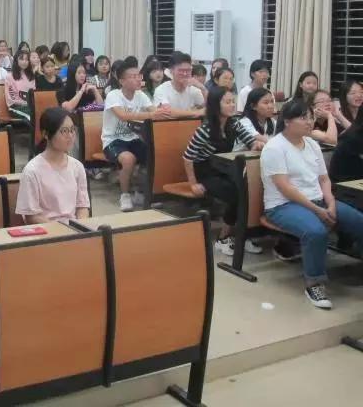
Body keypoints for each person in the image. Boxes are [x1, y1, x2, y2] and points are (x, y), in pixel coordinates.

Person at [262, 100, 363, 309]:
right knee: (316, 232)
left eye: (311, 117)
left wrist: (331, 203)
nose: (310, 122)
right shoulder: (274, 147)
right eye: (303, 118)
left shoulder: (312, 144)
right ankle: (314, 283)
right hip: (283, 206)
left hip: (318, 201)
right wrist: (317, 209)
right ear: (287, 121)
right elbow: (285, 188)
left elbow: (324, 179)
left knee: (359, 221)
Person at [183, 86, 263, 256]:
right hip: (204, 171)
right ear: (215, 105)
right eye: (227, 102)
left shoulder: (234, 124)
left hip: (223, 167)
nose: (232, 105)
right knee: (236, 194)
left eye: (233, 101)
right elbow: (187, 157)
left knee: (250, 189)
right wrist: (193, 184)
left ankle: (242, 235)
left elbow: (251, 141)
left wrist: (257, 144)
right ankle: (223, 238)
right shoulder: (205, 130)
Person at [102, 62, 172, 212]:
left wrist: (160, 112)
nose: (138, 79)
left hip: (133, 138)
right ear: (122, 81)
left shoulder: (141, 95)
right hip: (113, 140)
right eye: (133, 76)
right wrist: (151, 114)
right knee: (129, 159)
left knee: (154, 156)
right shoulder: (114, 95)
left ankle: (141, 193)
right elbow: (123, 115)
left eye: (139, 76)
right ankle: (125, 195)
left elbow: (154, 111)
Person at [16, 107, 90, 223]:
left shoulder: (77, 167)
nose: (70, 136)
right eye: (64, 131)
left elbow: (82, 207)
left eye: (72, 130)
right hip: (47, 229)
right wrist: (61, 229)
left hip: (74, 228)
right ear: (46, 134)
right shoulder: (32, 171)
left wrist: (81, 226)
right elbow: (32, 216)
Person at [153, 52, 205, 117]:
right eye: (181, 70)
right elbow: (167, 112)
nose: (185, 74)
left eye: (188, 70)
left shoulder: (194, 89)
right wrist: (194, 112)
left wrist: (203, 88)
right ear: (171, 71)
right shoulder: (161, 90)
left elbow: (209, 108)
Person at [5, 50, 35, 121]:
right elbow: (11, 98)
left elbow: (34, 93)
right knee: (31, 115)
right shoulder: (10, 76)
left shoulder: (31, 76)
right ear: (16, 61)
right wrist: (25, 103)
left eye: (26, 59)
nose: (24, 62)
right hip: (15, 107)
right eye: (22, 59)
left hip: (30, 106)